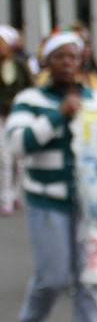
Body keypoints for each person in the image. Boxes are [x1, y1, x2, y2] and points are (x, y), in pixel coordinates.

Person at [4, 30, 97, 322]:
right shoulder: (30, 99)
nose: (68, 63)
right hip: (47, 204)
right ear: (46, 62)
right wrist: (57, 115)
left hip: (87, 207)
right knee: (52, 278)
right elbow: (17, 144)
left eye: (73, 56)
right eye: (60, 57)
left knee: (90, 280)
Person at [0, 25, 34, 215]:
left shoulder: (20, 66)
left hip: (19, 117)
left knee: (19, 160)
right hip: (1, 117)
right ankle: (6, 198)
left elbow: (30, 89)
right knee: (5, 158)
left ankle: (16, 193)